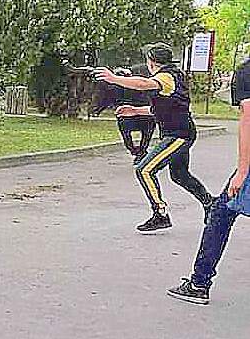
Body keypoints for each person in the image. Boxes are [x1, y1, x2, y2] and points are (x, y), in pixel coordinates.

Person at [95, 42, 213, 233]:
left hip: (178, 135)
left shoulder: (165, 76)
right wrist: (135, 110)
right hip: (180, 132)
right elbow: (165, 108)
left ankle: (160, 214)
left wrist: (113, 78)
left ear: (151, 61)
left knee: (144, 170)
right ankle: (210, 204)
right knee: (179, 175)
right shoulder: (173, 76)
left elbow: (143, 84)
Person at [167, 56, 250, 305]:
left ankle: (199, 284)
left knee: (221, 213)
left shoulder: (247, 72)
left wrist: (243, 170)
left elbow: (249, 115)